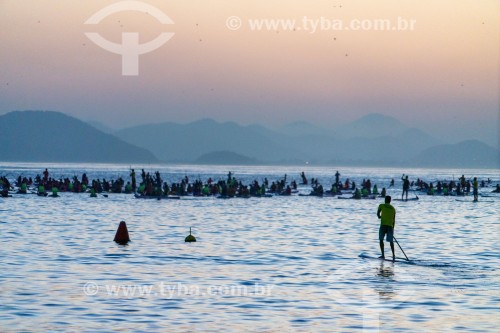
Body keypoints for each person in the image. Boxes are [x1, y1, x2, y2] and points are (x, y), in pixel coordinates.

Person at [377, 196, 396, 261]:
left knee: (381, 240)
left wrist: (379, 216)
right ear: (390, 201)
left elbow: (378, 213)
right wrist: (393, 229)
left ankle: (383, 255)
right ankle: (393, 255)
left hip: (383, 225)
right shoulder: (393, 208)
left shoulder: (381, 205)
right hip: (390, 226)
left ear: (385, 200)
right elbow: (394, 220)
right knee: (391, 241)